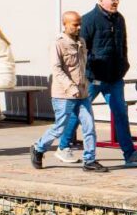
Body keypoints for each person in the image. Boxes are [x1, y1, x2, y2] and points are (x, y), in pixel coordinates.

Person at [79, 0, 137, 169]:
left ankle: (130, 155)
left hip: (114, 77)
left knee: (121, 114)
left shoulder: (119, 18)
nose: (116, 2)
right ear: (101, 0)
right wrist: (91, 67)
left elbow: (123, 43)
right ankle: (62, 145)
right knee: (77, 113)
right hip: (94, 77)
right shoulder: (89, 20)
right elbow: (82, 49)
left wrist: (124, 64)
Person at [31, 10, 101, 171]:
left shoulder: (81, 41)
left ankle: (90, 160)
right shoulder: (58, 43)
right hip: (63, 95)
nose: (78, 28)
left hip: (82, 93)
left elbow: (82, 67)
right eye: (75, 25)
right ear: (65, 24)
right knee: (60, 127)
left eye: (80, 24)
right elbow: (56, 69)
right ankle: (39, 147)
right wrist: (70, 87)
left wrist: (86, 83)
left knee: (89, 126)